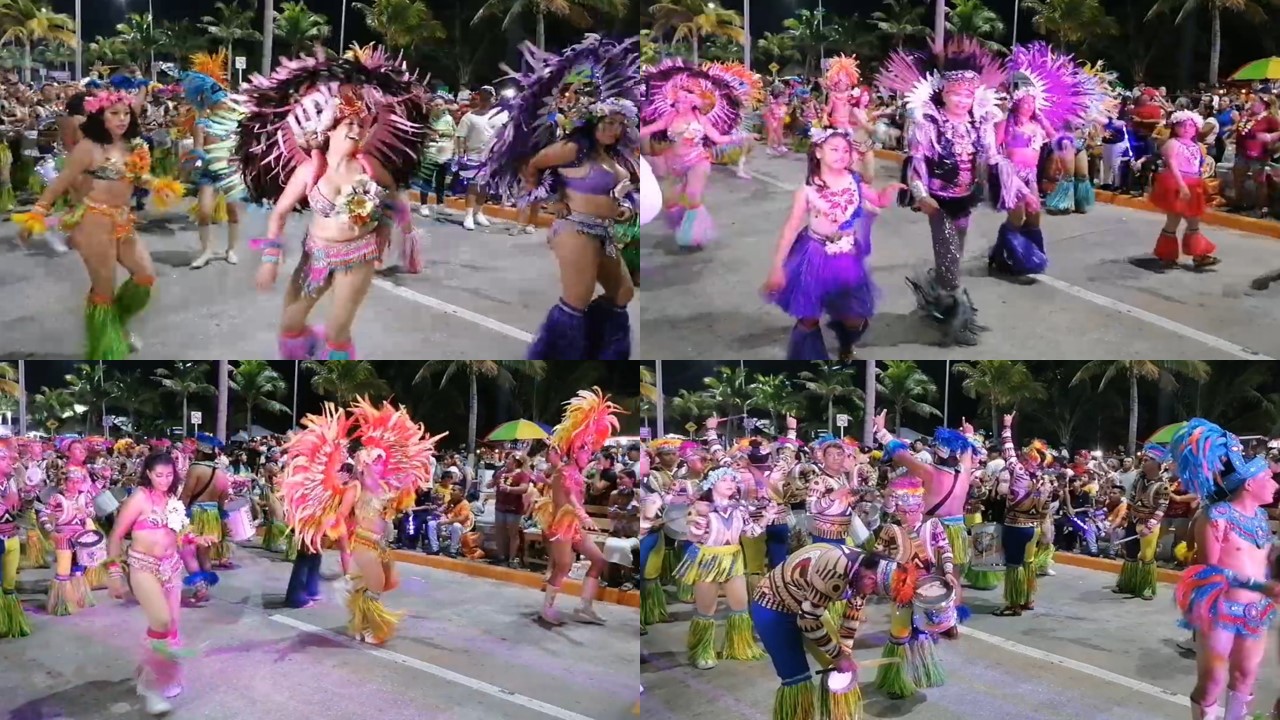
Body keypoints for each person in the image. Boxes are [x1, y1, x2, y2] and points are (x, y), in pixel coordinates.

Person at [234, 46, 428, 359]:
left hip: (358, 257)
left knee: (338, 334)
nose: (356, 129)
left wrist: (392, 231)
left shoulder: (369, 165)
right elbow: (279, 213)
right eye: (349, 123)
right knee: (290, 326)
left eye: (361, 125)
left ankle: (333, 367)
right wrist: (270, 260)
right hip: (315, 257)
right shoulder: (311, 168)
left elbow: (393, 195)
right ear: (331, 129)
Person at [486, 35, 639, 360]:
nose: (614, 129)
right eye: (608, 122)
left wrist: (624, 208)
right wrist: (546, 201)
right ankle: (559, 357)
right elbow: (531, 165)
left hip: (604, 231)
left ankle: (597, 347)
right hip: (575, 229)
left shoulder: (611, 156)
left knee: (623, 293)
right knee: (576, 302)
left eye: (619, 124)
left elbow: (621, 191)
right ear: (593, 120)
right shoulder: (573, 148)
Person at [876, 37, 1028, 346]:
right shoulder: (930, 122)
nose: (962, 100)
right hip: (939, 200)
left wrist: (1018, 186)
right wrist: (922, 195)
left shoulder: (979, 122)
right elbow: (917, 160)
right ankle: (956, 318)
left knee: (954, 255)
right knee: (948, 257)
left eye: (968, 94)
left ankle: (939, 298)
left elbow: (993, 157)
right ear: (944, 92)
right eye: (956, 93)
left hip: (965, 197)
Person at [13, 90, 182, 358]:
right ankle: (105, 349)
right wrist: (37, 214)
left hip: (124, 219)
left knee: (145, 276)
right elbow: (61, 181)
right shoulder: (89, 147)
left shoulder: (133, 145)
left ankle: (116, 323)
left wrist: (157, 184)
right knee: (104, 289)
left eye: (126, 113)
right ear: (100, 116)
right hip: (93, 220)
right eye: (114, 113)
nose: (122, 118)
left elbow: (136, 176)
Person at [762, 128, 903, 360]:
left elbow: (877, 200)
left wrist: (887, 193)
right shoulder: (807, 190)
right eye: (834, 149)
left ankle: (846, 345)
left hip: (847, 256)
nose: (841, 155)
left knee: (854, 318)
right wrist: (777, 267)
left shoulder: (854, 181)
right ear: (818, 152)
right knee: (808, 318)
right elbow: (790, 228)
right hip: (813, 254)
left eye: (845, 150)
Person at [1172, 419, 1280, 720]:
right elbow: (1210, 573)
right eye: (1269, 478)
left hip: (1256, 612)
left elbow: (1263, 558)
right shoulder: (1215, 516)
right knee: (1212, 682)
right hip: (1221, 612)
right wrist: (1260, 586)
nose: (1275, 484)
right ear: (1250, 484)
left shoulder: (1260, 517)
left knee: (1245, 676)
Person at [105, 452, 218, 714]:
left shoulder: (172, 499)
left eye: (169, 475)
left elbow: (179, 532)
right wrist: (114, 574)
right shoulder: (139, 498)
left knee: (171, 627)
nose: (164, 480)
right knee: (161, 622)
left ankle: (149, 668)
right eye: (159, 475)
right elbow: (116, 535)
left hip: (172, 567)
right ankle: (151, 687)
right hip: (143, 567)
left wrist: (198, 539)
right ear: (148, 473)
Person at [989, 43, 1101, 275]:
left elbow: (1055, 139)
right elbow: (995, 143)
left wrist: (1041, 118)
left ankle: (1019, 255)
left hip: (1030, 176)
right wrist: (1004, 115)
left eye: (1033, 102)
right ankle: (1005, 255)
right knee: (1017, 218)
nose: (1029, 106)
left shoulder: (1037, 124)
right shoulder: (1007, 123)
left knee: (1034, 218)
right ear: (1017, 103)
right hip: (1011, 176)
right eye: (1025, 102)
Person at [750, 543, 887, 720]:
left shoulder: (864, 567)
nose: (872, 594)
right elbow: (807, 621)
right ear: (871, 578)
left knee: (839, 671)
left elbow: (852, 613)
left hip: (809, 606)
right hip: (773, 607)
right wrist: (838, 656)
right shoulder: (835, 572)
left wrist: (845, 651)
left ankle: (839, 714)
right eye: (874, 591)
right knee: (797, 679)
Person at [534, 388, 621, 625]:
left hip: (573, 525)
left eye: (590, 449)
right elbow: (571, 498)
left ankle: (584, 606)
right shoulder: (564, 472)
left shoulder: (577, 472)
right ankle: (546, 608)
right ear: (573, 449)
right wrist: (583, 516)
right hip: (562, 525)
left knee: (599, 560)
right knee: (563, 566)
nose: (588, 453)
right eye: (584, 448)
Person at [677, 467, 776, 669]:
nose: (731, 484)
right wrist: (699, 519)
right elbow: (693, 537)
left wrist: (767, 516)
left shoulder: (739, 509)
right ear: (712, 483)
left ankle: (740, 646)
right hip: (708, 559)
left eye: (732, 480)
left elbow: (751, 532)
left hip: (733, 559)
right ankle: (702, 651)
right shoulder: (701, 508)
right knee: (706, 609)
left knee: (740, 605)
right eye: (724, 480)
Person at [641, 58, 746, 248]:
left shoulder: (701, 119)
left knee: (692, 196)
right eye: (678, 99)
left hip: (698, 159)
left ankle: (694, 235)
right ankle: (683, 224)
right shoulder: (669, 117)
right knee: (670, 201)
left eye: (686, 99)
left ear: (693, 102)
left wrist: (739, 137)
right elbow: (647, 130)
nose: (681, 103)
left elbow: (718, 138)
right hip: (673, 162)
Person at [181, 51, 244, 270]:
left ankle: (231, 249)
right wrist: (195, 162)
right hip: (209, 173)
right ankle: (206, 251)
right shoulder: (202, 124)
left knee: (233, 211)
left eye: (226, 101)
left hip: (231, 171)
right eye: (221, 102)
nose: (225, 104)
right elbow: (199, 148)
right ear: (211, 105)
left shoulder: (237, 122)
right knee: (204, 212)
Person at [1151, 111, 1220, 269]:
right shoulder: (1172, 143)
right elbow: (1172, 164)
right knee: (1173, 221)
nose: (1187, 129)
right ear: (1175, 128)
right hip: (1176, 185)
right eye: (1183, 125)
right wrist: (1181, 185)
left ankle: (1199, 255)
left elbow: (1198, 164)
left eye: (1191, 126)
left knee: (1193, 221)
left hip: (1193, 185)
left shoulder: (1197, 146)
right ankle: (1166, 255)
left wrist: (1200, 173)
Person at [1114, 444, 1170, 601]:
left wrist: (1149, 526)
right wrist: (1125, 517)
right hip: (1133, 520)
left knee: (1147, 556)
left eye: (1147, 460)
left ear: (1157, 464)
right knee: (1130, 554)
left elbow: (1162, 507)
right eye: (1143, 460)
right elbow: (1131, 499)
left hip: (1148, 524)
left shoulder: (1163, 485)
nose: (1143, 463)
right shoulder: (1139, 479)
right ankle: (1128, 583)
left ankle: (1146, 587)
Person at [0, 442, 31, 638]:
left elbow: (23, 509)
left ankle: (8, 620)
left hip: (12, 535)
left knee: (9, 583)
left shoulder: (11, 483)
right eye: (3, 459)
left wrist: (28, 495)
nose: (8, 462)